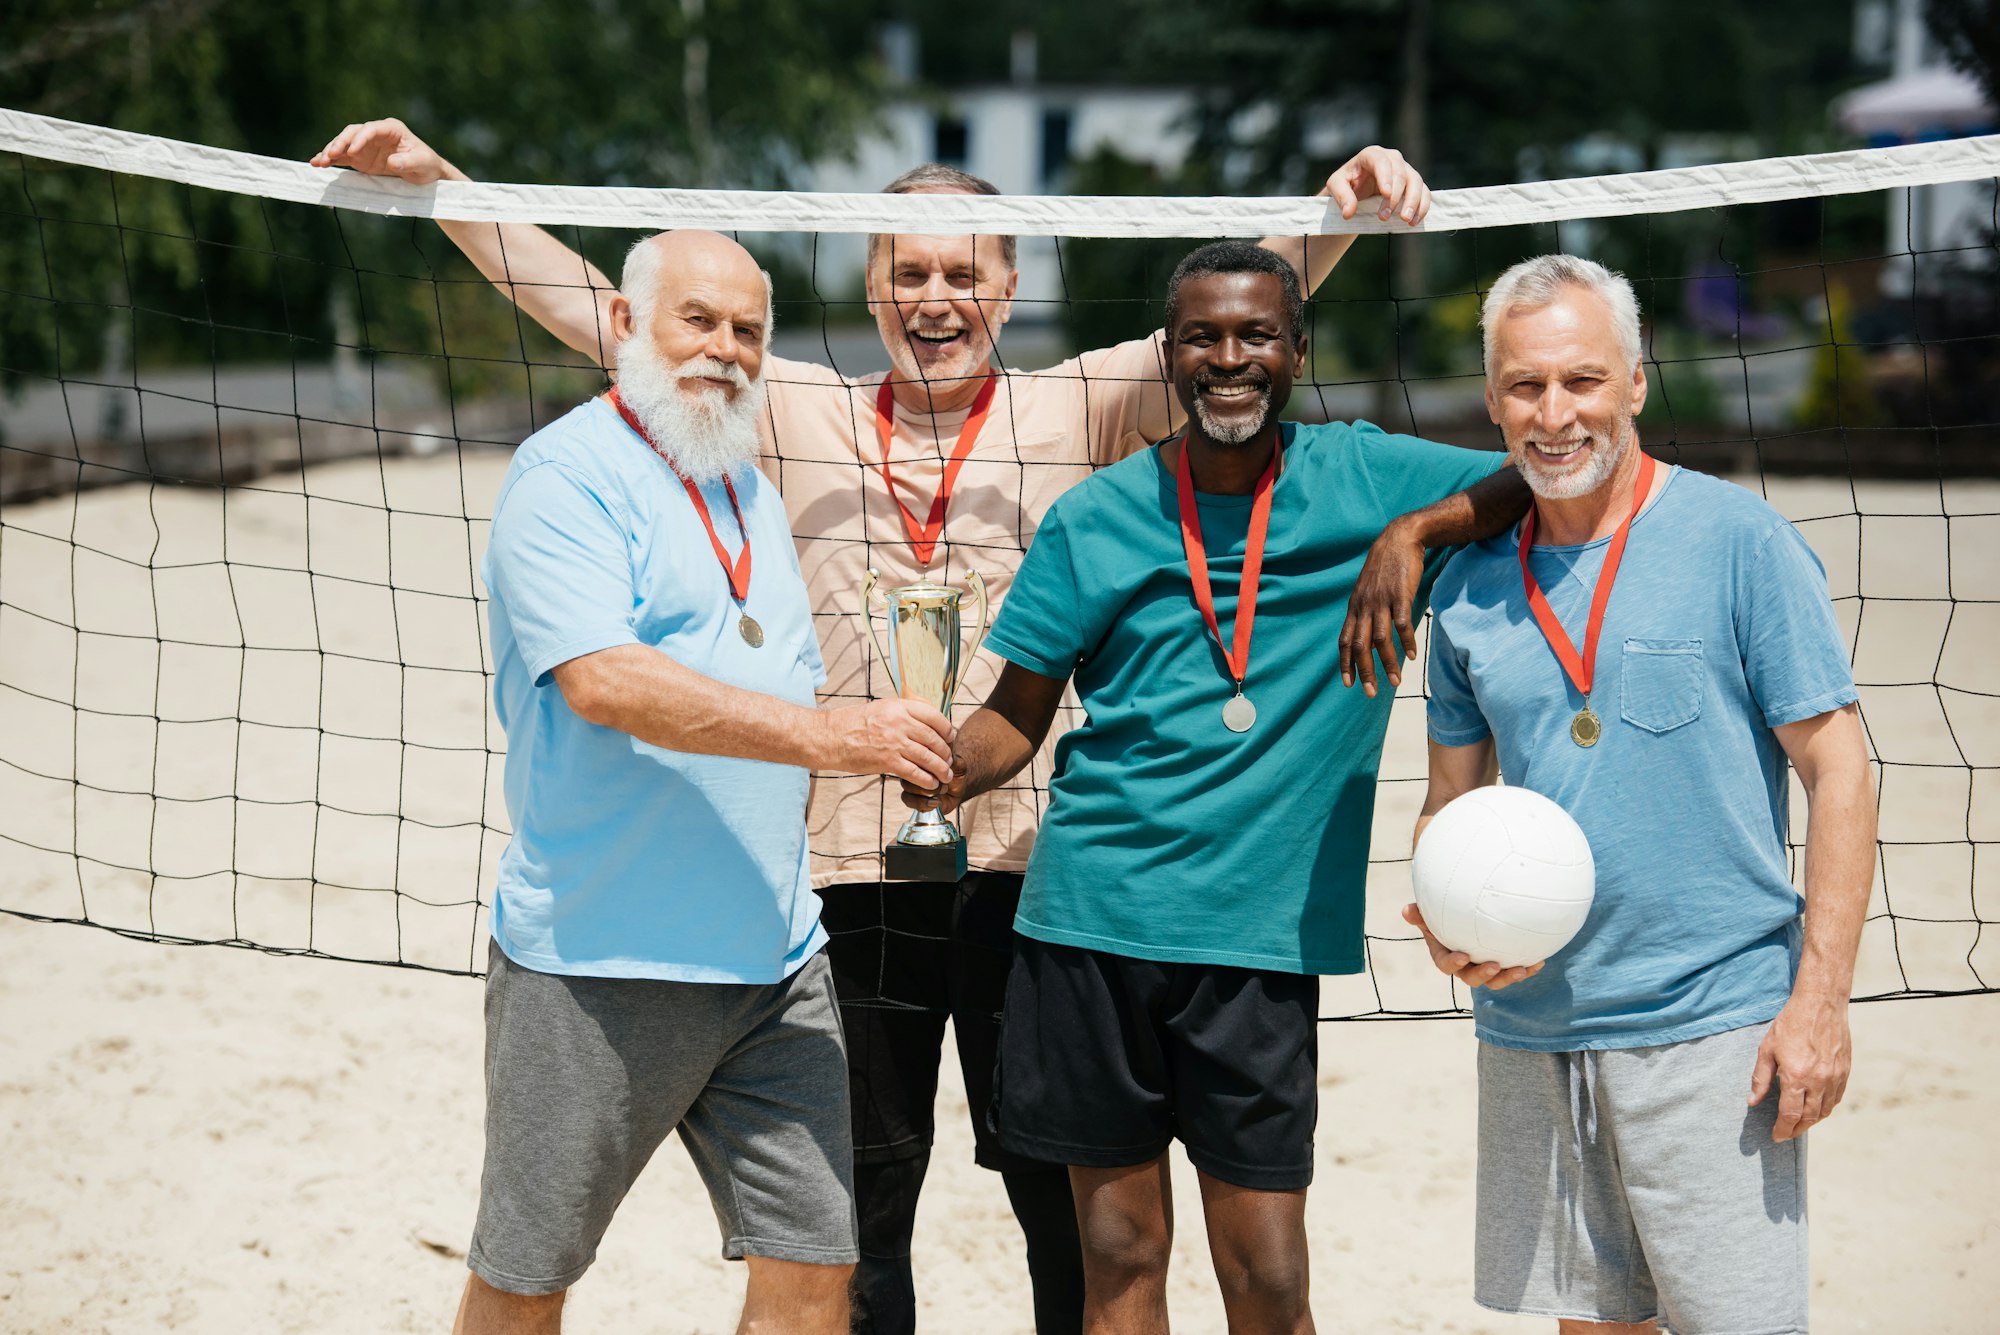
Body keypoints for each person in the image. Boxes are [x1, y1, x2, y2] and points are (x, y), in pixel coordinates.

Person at [313, 118, 1435, 1335]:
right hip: (847, 871)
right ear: (870, 287)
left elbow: (1233, 324)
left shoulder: (1078, 403)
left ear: (1010, 283)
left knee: (1061, 1206)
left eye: (964, 273)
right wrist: (444, 189)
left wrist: (1335, 214)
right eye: (909, 272)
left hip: (1026, 876)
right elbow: (610, 314)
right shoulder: (788, 408)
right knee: (858, 1217)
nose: (936, 297)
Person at [901, 240, 1531, 1334]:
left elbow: (1546, 467)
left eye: (1252, 334)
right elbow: (1014, 718)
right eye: (1200, 336)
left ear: (1297, 347)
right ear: (1170, 352)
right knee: (1120, 1261)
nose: (1226, 358)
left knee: (1269, 1281)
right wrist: (917, 769)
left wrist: (1414, 532)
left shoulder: (1368, 473)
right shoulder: (1095, 518)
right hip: (1089, 926)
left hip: (1257, 945)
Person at [461, 228, 956, 1335]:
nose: (725, 350)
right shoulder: (564, 474)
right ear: (626, 327)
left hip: (776, 959)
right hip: (595, 963)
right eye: (698, 320)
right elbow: (603, 681)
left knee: (816, 1268)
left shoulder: (743, 485)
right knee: (526, 1277)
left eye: (748, 329)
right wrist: (838, 741)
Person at [1411, 254, 1878, 1335]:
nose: (1552, 412)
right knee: (1590, 1329)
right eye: (1524, 386)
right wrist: (1446, 923)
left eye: (1580, 380)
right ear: (1491, 400)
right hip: (1532, 1024)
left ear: (1634, 382)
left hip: (1710, 1025)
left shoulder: (1737, 542)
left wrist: (1817, 1005)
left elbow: (1839, 768)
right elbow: (1448, 803)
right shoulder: (1472, 589)